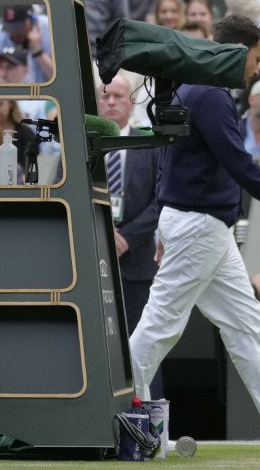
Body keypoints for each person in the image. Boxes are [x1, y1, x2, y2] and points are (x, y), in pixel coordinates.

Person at [128, 14, 260, 450]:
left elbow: (174, 160)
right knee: (160, 325)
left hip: (204, 227)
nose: (258, 68)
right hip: (199, 226)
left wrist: (166, 224)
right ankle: (126, 417)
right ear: (237, 53)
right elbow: (240, 164)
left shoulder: (195, 87)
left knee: (245, 324)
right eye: (257, 59)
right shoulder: (210, 95)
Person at [97, 73, 161, 338]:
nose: (111, 102)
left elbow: (162, 199)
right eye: (105, 96)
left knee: (142, 342)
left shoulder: (149, 145)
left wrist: (127, 237)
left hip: (138, 262)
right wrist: (103, 233)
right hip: (93, 260)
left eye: (118, 96)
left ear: (132, 101)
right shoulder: (80, 146)